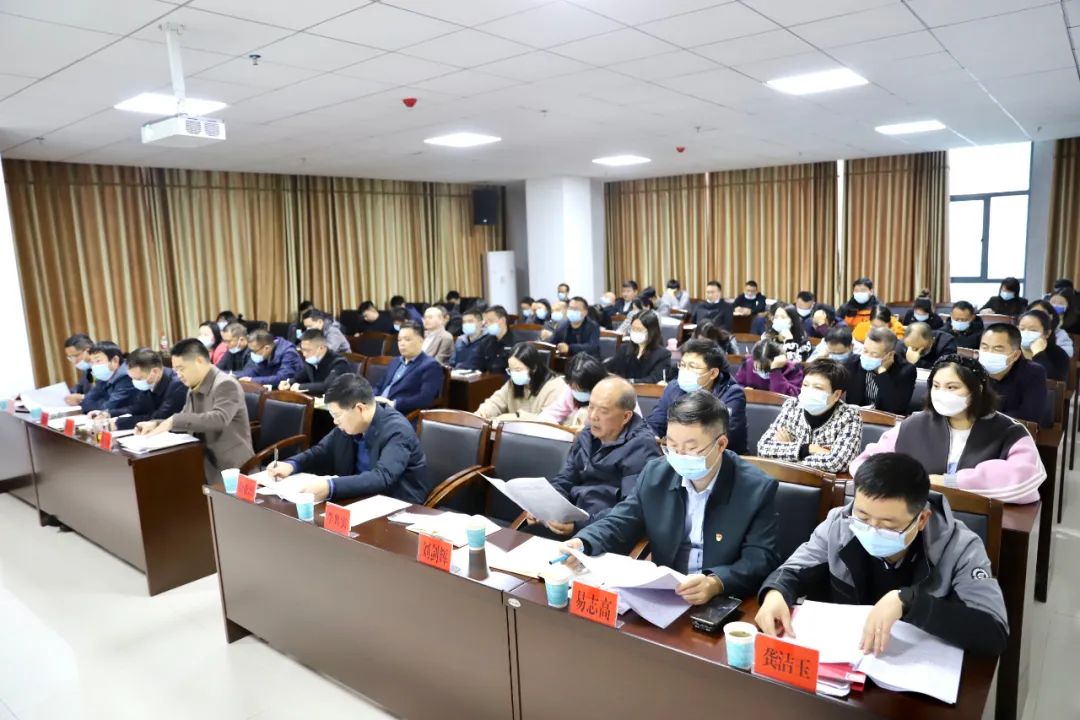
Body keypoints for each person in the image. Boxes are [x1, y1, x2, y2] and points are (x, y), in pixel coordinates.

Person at [756, 452, 1008, 656]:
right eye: (863, 517)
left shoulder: (961, 547)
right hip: (848, 656)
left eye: (887, 525)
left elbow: (993, 632)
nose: (872, 529)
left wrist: (910, 603)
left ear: (922, 519)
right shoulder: (840, 523)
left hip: (915, 667)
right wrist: (776, 593)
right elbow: (793, 570)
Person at [557, 391, 779, 604]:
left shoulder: (756, 489)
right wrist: (584, 542)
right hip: (665, 592)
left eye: (691, 448)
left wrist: (717, 582)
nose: (679, 456)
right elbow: (622, 520)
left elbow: (759, 558)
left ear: (720, 444)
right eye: (671, 445)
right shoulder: (656, 473)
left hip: (722, 598)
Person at [852, 355, 1045, 504]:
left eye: (952, 387)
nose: (941, 394)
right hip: (914, 512)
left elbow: (1025, 480)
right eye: (936, 386)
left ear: (977, 389)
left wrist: (951, 483)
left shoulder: (1010, 431)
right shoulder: (913, 424)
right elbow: (865, 464)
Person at [265, 373, 430, 503]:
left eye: (337, 415)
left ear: (359, 409)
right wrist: (292, 465)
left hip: (396, 504)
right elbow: (321, 451)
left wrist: (331, 487)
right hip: (358, 498)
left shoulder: (397, 430)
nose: (335, 422)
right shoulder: (348, 426)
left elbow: (382, 477)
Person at [527, 377, 660, 538]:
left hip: (605, 532)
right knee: (523, 538)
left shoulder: (641, 447)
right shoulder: (586, 435)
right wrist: (545, 506)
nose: (593, 416)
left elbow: (631, 509)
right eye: (591, 407)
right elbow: (565, 479)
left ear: (626, 417)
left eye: (603, 411)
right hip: (572, 519)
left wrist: (580, 525)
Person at [136, 339, 253, 482]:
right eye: (176, 370)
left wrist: (173, 421)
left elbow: (219, 419)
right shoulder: (194, 386)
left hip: (230, 464)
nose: (178, 374)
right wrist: (156, 424)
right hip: (202, 458)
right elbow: (185, 418)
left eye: (181, 369)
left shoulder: (226, 384)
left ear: (199, 361)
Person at [757, 358, 863, 473]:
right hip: (785, 478)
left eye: (818, 388)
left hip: (822, 483)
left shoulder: (849, 417)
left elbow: (838, 462)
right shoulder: (792, 405)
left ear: (836, 394)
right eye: (805, 385)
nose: (808, 391)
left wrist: (787, 452)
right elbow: (763, 449)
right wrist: (809, 449)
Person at [646, 339, 747, 453]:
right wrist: (653, 436)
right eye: (682, 365)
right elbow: (654, 423)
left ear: (713, 373)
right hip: (675, 452)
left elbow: (725, 436)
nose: (685, 371)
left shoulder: (732, 394)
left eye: (692, 366)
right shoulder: (674, 387)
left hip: (720, 456)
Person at [475, 343, 568, 422]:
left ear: (534, 368)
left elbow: (548, 421)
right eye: (510, 370)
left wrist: (515, 417)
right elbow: (495, 402)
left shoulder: (555, 386)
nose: (513, 374)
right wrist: (484, 412)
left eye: (518, 370)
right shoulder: (513, 383)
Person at [980, 323, 1047, 425]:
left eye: (997, 349)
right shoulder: (973, 369)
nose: (989, 353)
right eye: (984, 347)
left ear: (1015, 355)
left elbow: (1030, 416)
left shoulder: (1033, 373)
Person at [373, 322, 443, 417]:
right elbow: (379, 386)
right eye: (399, 340)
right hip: (377, 408)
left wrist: (394, 404)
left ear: (421, 340)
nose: (402, 344)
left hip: (399, 414)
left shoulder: (430, 366)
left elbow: (425, 398)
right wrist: (371, 398)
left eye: (407, 339)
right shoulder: (395, 361)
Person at [843, 327, 915, 414]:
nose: (867, 356)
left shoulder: (906, 371)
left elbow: (895, 408)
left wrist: (882, 373)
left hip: (886, 420)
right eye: (865, 351)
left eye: (874, 354)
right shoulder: (852, 363)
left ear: (890, 355)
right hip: (856, 416)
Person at [120, 347, 187, 430]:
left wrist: (120, 424)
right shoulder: (149, 382)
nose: (135, 382)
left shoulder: (177, 385)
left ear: (155, 371)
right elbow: (138, 408)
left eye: (139, 379)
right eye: (132, 378)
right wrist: (111, 415)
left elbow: (160, 417)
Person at [539, 353, 609, 428]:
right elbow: (551, 414)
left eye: (583, 390)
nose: (576, 391)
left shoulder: (608, 395)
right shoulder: (570, 392)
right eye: (573, 387)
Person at [606, 309, 671, 384]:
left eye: (639, 330)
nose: (635, 332)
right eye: (633, 329)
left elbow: (654, 379)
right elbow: (609, 367)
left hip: (644, 391)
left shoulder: (663, 354)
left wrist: (629, 382)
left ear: (652, 331)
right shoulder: (624, 348)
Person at [81, 341, 142, 416]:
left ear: (115, 360)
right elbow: (86, 403)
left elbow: (109, 408)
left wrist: (102, 402)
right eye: (92, 362)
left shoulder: (127, 376)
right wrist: (105, 402)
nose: (94, 366)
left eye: (98, 361)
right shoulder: (104, 375)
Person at [284, 328, 349, 396]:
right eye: (303, 350)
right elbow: (299, 378)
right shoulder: (310, 360)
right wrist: (289, 383)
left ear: (321, 348)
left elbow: (327, 386)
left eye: (308, 350)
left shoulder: (339, 362)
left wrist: (300, 387)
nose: (304, 354)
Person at [735, 340, 804, 397]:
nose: (763, 372)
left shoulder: (793, 370)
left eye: (768, 368)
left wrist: (775, 371)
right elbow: (736, 386)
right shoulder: (748, 364)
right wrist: (744, 389)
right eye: (759, 368)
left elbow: (783, 398)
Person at [239, 329, 304, 387]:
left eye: (254, 351)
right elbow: (251, 371)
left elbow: (282, 378)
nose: (251, 353)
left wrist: (252, 380)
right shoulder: (260, 350)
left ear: (267, 348)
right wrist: (236, 377)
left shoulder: (289, 353)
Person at [1017, 309, 1069, 382]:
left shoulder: (1059, 355)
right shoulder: (1010, 348)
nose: (1026, 333)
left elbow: (1051, 383)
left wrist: (1039, 355)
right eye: (1022, 329)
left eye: (1033, 330)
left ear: (1047, 333)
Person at [481, 305, 519, 374]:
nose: (487, 325)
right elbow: (481, 367)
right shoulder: (485, 342)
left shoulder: (516, 342)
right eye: (486, 322)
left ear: (503, 320)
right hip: (490, 378)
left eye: (491, 321)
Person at [63, 333, 94, 405]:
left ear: (88, 351)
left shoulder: (105, 369)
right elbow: (77, 389)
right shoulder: (87, 370)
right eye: (70, 357)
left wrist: (83, 397)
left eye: (75, 356)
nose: (74, 361)